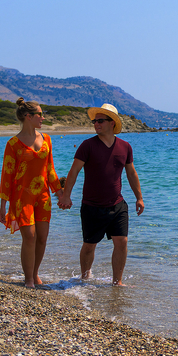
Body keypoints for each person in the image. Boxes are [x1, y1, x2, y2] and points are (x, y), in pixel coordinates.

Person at [58, 103, 144, 286]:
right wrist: (66, 196)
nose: (96, 124)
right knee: (89, 245)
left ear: (112, 123)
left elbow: (131, 173)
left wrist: (139, 198)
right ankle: (84, 278)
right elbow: (74, 172)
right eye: (94, 121)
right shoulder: (87, 145)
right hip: (92, 206)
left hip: (117, 204)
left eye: (100, 121)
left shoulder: (125, 147)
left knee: (122, 241)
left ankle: (117, 282)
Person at [0, 97, 62, 288]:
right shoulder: (13, 144)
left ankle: (35, 273)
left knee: (42, 238)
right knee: (30, 236)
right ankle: (29, 279)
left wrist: (61, 194)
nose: (43, 118)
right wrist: (3, 206)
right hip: (22, 197)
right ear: (28, 116)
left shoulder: (47, 139)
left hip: (43, 197)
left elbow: (50, 170)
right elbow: (7, 175)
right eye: (40, 114)